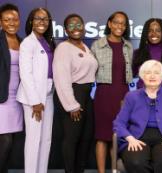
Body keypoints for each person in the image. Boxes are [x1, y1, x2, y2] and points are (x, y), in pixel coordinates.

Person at [113, 60, 162, 173]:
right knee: (136, 162)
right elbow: (118, 123)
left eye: (156, 73)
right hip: (137, 138)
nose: (152, 76)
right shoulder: (131, 96)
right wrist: (130, 138)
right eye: (148, 72)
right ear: (142, 76)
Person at [53, 14, 98, 173]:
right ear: (65, 30)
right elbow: (61, 78)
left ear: (84, 27)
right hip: (73, 94)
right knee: (71, 140)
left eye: (79, 24)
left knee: (86, 138)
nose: (76, 28)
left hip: (86, 95)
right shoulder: (63, 48)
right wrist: (72, 105)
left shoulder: (85, 47)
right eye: (71, 26)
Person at [91, 11, 133, 173]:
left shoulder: (128, 45)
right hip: (104, 94)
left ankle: (115, 170)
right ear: (109, 24)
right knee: (102, 136)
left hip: (124, 94)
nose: (119, 26)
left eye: (123, 23)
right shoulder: (97, 45)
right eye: (116, 22)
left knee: (118, 135)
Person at [16, 7, 55, 173]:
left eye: (45, 19)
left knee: (46, 140)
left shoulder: (47, 42)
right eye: (38, 18)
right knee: (33, 140)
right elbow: (25, 74)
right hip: (34, 99)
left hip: (48, 96)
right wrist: (35, 102)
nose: (42, 22)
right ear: (31, 21)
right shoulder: (27, 43)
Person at [0, 3, 23, 173]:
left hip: (18, 98)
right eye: (7, 20)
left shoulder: (23, 41)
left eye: (14, 19)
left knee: (12, 141)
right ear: (1, 22)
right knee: (5, 140)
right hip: (2, 98)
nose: (11, 23)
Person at [132, 18, 162, 89]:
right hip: (142, 93)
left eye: (158, 31)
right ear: (146, 33)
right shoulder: (137, 53)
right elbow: (129, 75)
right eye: (150, 30)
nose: (154, 33)